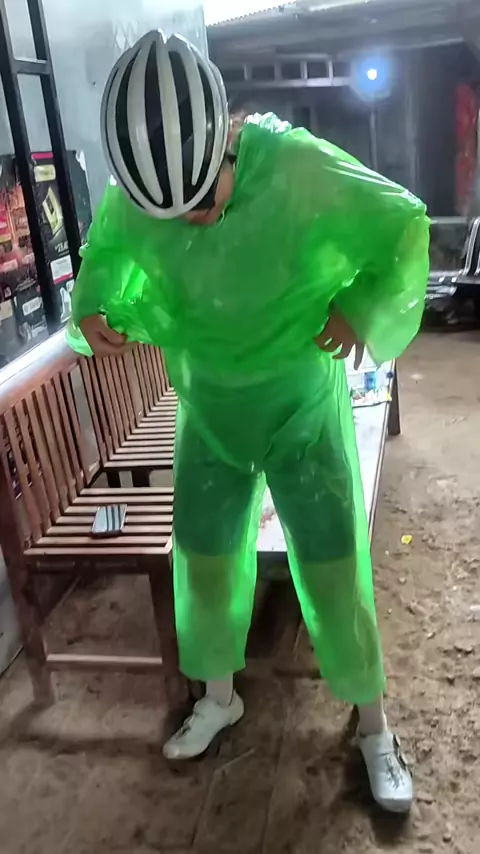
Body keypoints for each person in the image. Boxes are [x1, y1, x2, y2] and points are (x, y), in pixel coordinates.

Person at [68, 31, 430, 813]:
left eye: (205, 201)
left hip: (301, 411)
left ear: (228, 139)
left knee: (334, 570)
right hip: (209, 414)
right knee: (202, 563)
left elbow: (401, 224)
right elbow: (106, 251)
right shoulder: (141, 194)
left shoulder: (298, 168)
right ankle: (219, 697)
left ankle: (373, 726)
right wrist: (91, 307)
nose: (194, 221)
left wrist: (362, 306)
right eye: (174, 214)